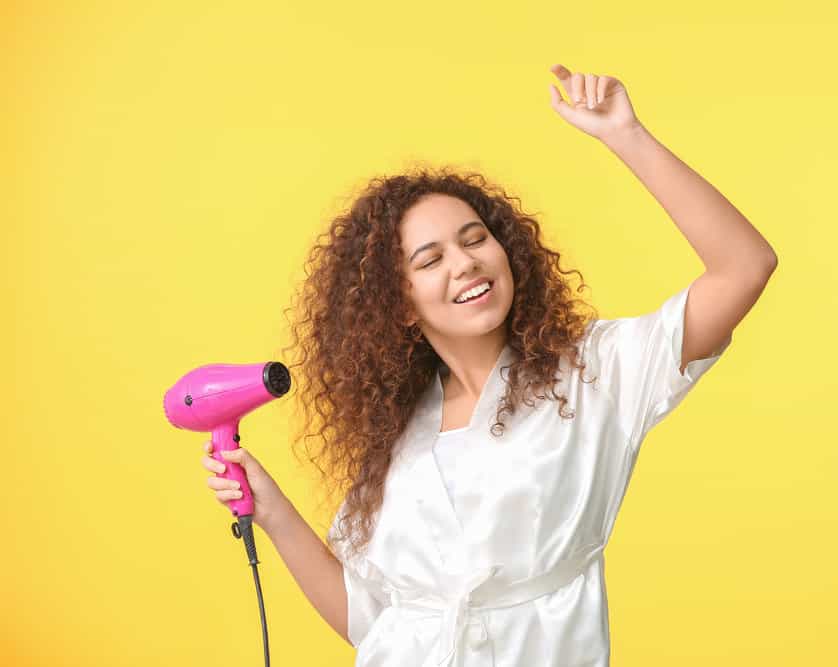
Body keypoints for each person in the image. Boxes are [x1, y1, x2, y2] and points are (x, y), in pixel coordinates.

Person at [200, 63, 777, 666]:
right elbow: (370, 621)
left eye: (475, 239)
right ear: (398, 305)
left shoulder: (593, 374)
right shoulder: (400, 434)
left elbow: (744, 266)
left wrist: (624, 135)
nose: (465, 264)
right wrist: (270, 511)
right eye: (430, 260)